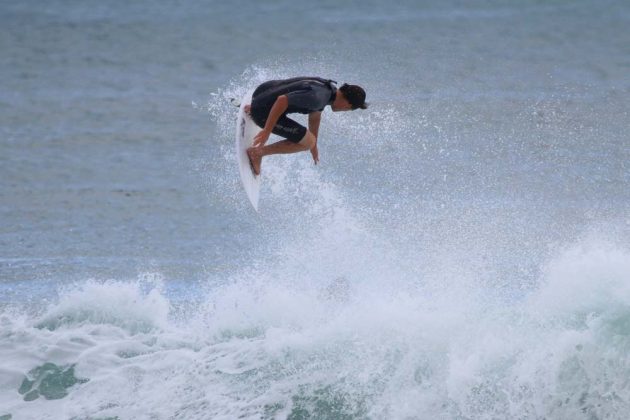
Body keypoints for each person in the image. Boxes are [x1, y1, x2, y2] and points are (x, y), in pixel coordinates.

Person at [244, 77, 367, 175]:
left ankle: (254, 107)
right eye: (348, 109)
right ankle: (257, 153)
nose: (344, 110)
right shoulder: (318, 98)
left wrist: (315, 145)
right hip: (262, 112)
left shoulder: (327, 88)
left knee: (311, 142)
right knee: (307, 142)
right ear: (347, 103)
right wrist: (266, 131)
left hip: (260, 93)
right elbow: (282, 100)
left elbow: (315, 114)